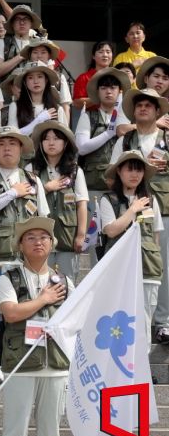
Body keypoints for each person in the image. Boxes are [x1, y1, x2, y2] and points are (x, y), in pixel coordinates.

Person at [0, 125, 49, 383]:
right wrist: (12, 193)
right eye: (2, 144)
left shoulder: (32, 179)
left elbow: (43, 217)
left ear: (20, 149)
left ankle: (25, 358)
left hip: (26, 258)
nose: (7, 148)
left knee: (29, 307)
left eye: (13, 144)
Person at [0, 216, 71, 436]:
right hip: (20, 365)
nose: (38, 242)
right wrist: (42, 299)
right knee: (15, 432)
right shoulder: (9, 277)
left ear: (52, 244)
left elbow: (74, 321)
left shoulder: (64, 281)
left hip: (56, 366)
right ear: (20, 245)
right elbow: (10, 313)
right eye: (30, 237)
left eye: (43, 237)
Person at [110, 89, 169, 345]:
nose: (143, 108)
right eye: (139, 105)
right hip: (129, 210)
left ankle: (163, 323)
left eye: (149, 105)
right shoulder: (124, 141)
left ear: (158, 112)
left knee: (161, 267)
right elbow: (111, 175)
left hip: (164, 209)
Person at [101, 151, 163, 352]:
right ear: (119, 171)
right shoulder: (108, 200)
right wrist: (132, 209)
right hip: (119, 271)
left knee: (144, 322)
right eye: (130, 169)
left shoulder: (152, 201)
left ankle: (142, 373)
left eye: (139, 169)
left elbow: (155, 237)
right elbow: (111, 230)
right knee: (120, 321)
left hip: (148, 271)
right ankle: (123, 373)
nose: (134, 174)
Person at [30, 121, 88, 281]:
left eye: (56, 138)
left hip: (67, 237)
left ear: (65, 142)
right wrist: (46, 188)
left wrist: (81, 235)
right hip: (39, 239)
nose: (51, 142)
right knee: (40, 284)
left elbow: (82, 204)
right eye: (46, 139)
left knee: (67, 283)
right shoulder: (32, 169)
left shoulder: (75, 171)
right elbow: (25, 200)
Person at [75, 67, 131, 196]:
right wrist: (108, 133)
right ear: (98, 91)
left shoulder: (128, 118)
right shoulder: (88, 116)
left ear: (120, 92)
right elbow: (81, 148)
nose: (108, 92)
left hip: (123, 186)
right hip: (94, 185)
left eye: (113, 88)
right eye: (104, 88)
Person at [7, 61, 66, 134]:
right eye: (30, 78)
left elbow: (63, 137)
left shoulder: (57, 109)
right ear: (25, 82)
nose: (36, 81)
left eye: (40, 76)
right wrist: (39, 120)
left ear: (46, 80)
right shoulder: (15, 106)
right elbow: (13, 136)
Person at [0, 4, 41, 80]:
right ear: (12, 23)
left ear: (31, 23)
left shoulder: (39, 43)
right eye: (17, 19)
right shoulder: (2, 43)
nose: (22, 22)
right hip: (8, 91)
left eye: (26, 19)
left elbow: (49, 68)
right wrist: (20, 56)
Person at [72, 40, 115, 110]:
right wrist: (98, 98)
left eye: (108, 52)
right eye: (101, 52)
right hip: (91, 118)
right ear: (93, 56)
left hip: (114, 118)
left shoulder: (117, 77)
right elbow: (77, 103)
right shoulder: (84, 78)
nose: (105, 55)